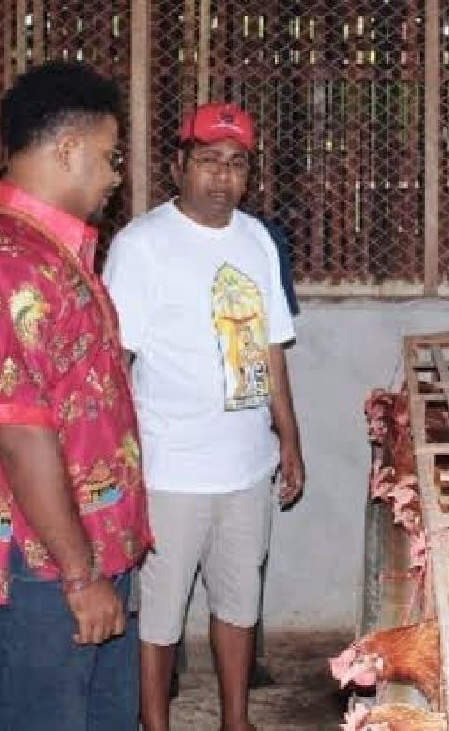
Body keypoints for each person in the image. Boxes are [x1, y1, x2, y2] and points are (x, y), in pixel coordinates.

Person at [0, 61, 152, 731]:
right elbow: (22, 435)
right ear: (67, 151)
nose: (115, 177)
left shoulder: (52, 255)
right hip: (37, 571)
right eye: (109, 158)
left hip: (84, 553)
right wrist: (80, 577)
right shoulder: (5, 262)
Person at [103, 101, 306, 731]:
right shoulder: (142, 245)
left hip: (246, 466)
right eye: (208, 161)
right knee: (160, 614)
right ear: (177, 165)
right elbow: (115, 363)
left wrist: (290, 441)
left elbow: (271, 346)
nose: (222, 177)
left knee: (239, 603)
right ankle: (156, 725)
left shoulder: (258, 241)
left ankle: (235, 720)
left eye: (236, 163)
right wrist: (118, 462)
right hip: (168, 469)